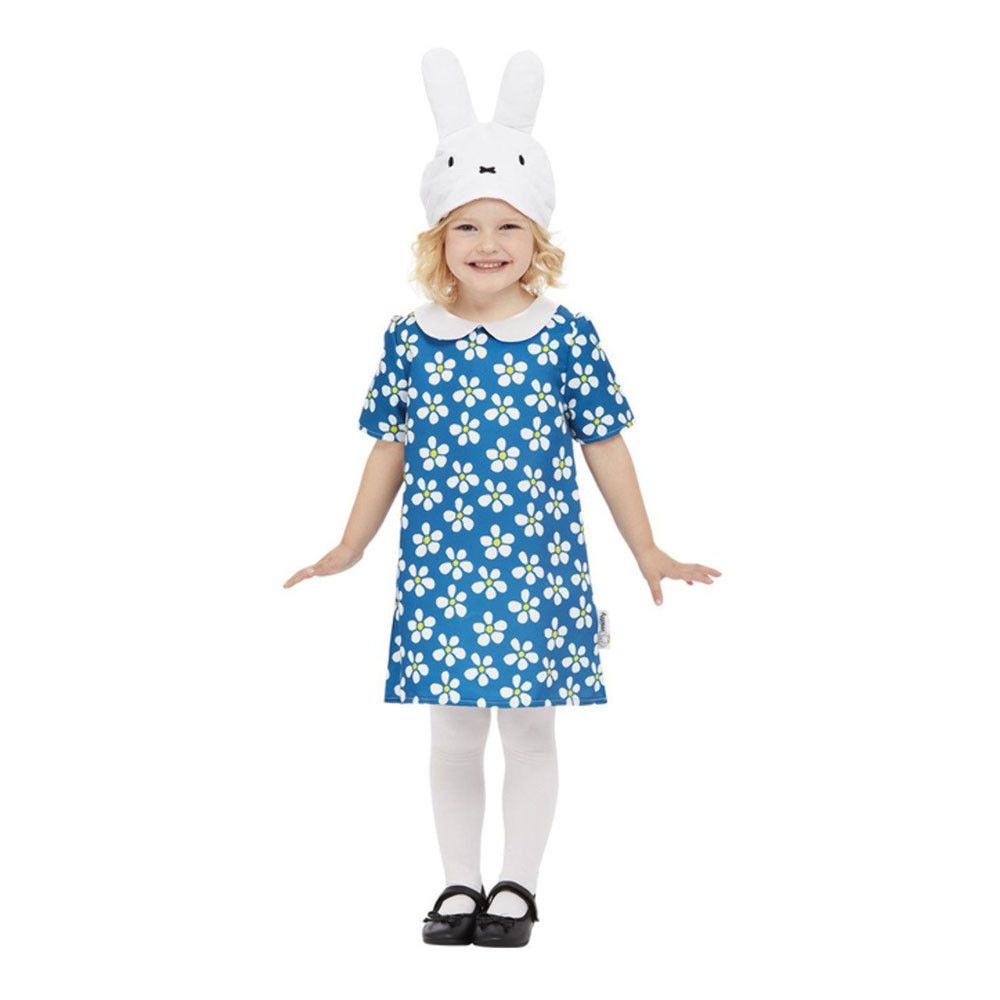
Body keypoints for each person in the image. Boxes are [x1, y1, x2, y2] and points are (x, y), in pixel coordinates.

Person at [284, 48, 721, 948]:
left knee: (527, 730)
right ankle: (458, 884)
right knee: (451, 734)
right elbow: (389, 448)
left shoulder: (566, 336)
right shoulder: (411, 339)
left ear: (538, 238)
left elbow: (605, 445)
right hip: (444, 574)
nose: (488, 243)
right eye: (467, 226)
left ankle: (518, 885)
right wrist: (350, 546)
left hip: (537, 572)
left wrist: (648, 549)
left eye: (508, 225)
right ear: (437, 240)